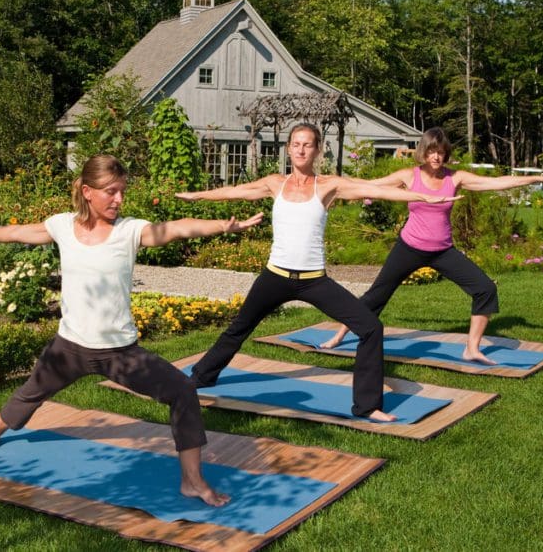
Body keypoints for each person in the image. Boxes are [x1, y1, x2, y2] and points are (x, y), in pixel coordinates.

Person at [0, 153, 263, 507]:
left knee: (183, 392)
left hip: (120, 353)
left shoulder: (129, 231)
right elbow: (23, 232)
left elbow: (175, 227)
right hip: (69, 347)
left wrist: (222, 226)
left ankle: (192, 481)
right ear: (87, 191)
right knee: (31, 393)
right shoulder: (61, 225)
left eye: (122, 192)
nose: (119, 200)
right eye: (111, 192)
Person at [175, 123, 459, 421]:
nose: (300, 149)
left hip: (313, 281)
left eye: (307, 144)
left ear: (317, 150)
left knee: (371, 328)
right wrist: (198, 196)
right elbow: (236, 191)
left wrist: (425, 197)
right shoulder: (275, 183)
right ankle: (201, 377)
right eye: (296, 144)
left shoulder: (328, 185)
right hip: (275, 276)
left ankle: (367, 406)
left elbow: (375, 190)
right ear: (288, 148)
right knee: (238, 329)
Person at [321, 127, 543, 363]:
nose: (436, 156)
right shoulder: (409, 175)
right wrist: (330, 189)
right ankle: (339, 335)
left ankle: (472, 349)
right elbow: (370, 186)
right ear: (423, 152)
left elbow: (499, 183)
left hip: (442, 250)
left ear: (445, 152)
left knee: (485, 289)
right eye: (431, 151)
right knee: (377, 295)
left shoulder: (455, 177)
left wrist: (540, 178)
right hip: (409, 248)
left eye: (440, 151)